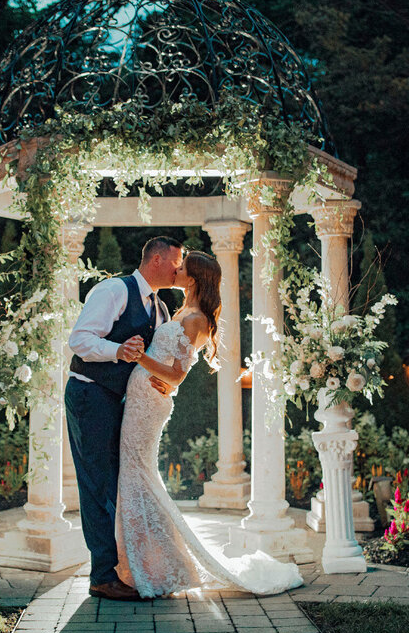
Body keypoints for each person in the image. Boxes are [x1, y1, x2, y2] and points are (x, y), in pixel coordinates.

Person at [115, 250, 304, 598]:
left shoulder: (196, 319)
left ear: (195, 277)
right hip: (142, 396)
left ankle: (153, 566)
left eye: (182, 268)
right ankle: (148, 561)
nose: (176, 269)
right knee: (135, 474)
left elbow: (178, 374)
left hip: (149, 403)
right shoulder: (181, 310)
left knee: (137, 474)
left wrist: (139, 358)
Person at [65, 235, 183, 601]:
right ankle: (101, 576)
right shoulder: (114, 290)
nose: (180, 270)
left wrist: (164, 386)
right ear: (159, 259)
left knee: (120, 485)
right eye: (177, 262)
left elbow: (154, 363)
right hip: (90, 394)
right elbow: (80, 339)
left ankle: (123, 567)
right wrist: (118, 350)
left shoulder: (161, 310)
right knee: (97, 485)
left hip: (123, 404)